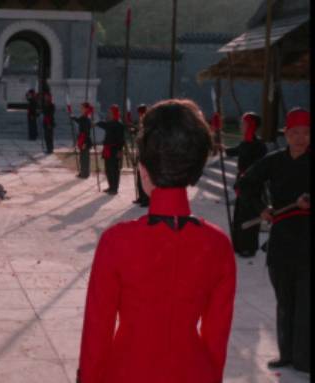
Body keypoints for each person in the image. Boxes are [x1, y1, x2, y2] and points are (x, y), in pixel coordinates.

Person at [78, 99, 236, 383]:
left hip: (126, 371)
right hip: (194, 371)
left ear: (143, 169)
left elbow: (97, 330)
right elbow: (217, 337)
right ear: (196, 166)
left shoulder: (117, 240)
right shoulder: (218, 244)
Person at [237, 108, 310, 373]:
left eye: (305, 133)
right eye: (295, 133)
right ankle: (286, 355)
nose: (300, 138)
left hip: (308, 242)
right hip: (281, 240)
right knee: (285, 300)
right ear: (286, 135)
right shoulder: (275, 160)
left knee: (306, 302)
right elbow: (246, 183)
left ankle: (304, 358)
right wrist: (261, 208)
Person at [225, 112, 267, 257]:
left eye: (244, 124)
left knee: (249, 215)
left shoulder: (259, 146)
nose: (241, 126)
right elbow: (234, 151)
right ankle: (238, 245)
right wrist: (220, 147)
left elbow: (259, 167)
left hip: (252, 185)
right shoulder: (245, 143)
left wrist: (246, 178)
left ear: (251, 126)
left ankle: (248, 247)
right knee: (239, 215)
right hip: (242, 183)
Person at [96, 104, 125, 194]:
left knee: (114, 169)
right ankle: (110, 186)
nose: (109, 114)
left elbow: (121, 139)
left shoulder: (119, 125)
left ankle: (114, 188)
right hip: (108, 149)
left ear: (114, 113)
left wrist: (120, 150)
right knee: (108, 169)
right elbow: (103, 124)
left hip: (115, 150)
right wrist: (96, 122)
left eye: (110, 112)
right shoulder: (110, 123)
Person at [132, 103, 150, 206]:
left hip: (146, 153)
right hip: (140, 152)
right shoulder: (141, 123)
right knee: (139, 176)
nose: (140, 116)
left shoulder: (148, 124)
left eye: (141, 113)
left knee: (145, 178)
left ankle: (146, 199)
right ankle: (141, 197)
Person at [71, 102, 93, 179]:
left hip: (85, 140)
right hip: (81, 138)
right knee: (82, 157)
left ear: (86, 109)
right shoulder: (83, 117)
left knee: (85, 157)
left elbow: (87, 132)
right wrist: (73, 117)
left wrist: (85, 143)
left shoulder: (87, 118)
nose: (81, 109)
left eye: (82, 108)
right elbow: (79, 121)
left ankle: (85, 173)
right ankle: (82, 172)